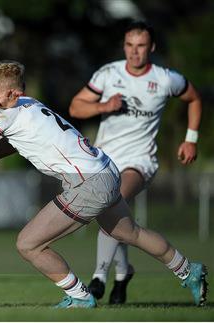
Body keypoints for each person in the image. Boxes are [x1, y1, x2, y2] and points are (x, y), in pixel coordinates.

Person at [0, 60, 208, 308]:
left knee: (28, 244)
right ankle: (188, 270)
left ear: (4, 92)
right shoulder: (30, 105)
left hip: (87, 184)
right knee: (129, 232)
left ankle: (79, 295)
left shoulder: (8, 115)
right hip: (107, 170)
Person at [68, 21, 203, 304]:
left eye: (141, 46)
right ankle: (123, 273)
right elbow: (75, 106)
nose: (134, 52)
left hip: (140, 161)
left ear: (151, 48)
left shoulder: (166, 79)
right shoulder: (108, 74)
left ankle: (98, 278)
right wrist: (104, 106)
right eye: (130, 45)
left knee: (111, 201)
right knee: (117, 217)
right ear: (124, 47)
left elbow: (194, 98)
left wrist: (191, 138)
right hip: (104, 160)